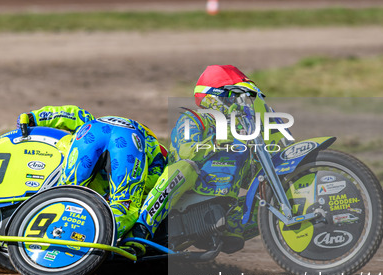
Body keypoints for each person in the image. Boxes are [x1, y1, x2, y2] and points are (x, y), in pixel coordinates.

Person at [134, 65, 286, 253]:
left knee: (267, 199)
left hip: (221, 205)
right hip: (184, 197)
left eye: (242, 99)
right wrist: (218, 141)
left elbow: (247, 178)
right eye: (233, 97)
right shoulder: (194, 119)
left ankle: (226, 234)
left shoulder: (240, 135)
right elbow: (186, 152)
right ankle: (142, 227)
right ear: (215, 96)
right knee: (184, 167)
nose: (239, 104)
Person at [17, 106, 167, 251]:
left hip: (95, 127)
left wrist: (34, 117)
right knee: (124, 205)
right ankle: (98, 239)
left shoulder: (92, 120)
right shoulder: (154, 145)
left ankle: (37, 229)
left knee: (64, 192)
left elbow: (73, 114)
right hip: (131, 140)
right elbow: (153, 182)